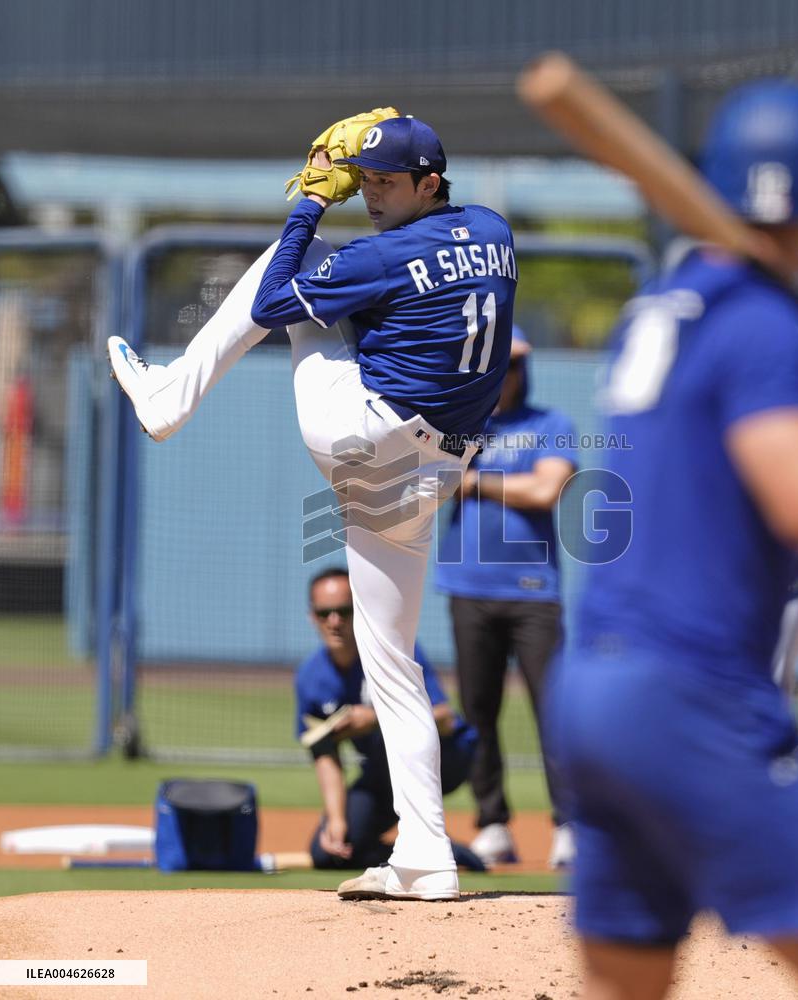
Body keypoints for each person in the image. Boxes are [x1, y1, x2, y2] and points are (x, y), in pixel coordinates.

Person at [548, 80, 798, 1000]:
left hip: (594, 690)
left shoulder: (664, 308)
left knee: (627, 983)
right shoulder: (760, 323)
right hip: (698, 694)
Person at [108, 112, 517, 901]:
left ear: (430, 182)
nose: (370, 192)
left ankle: (168, 398)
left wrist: (310, 201)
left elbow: (272, 303)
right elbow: (428, 273)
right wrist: (379, 152)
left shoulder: (385, 254)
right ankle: (426, 856)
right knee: (390, 661)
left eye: (386, 181)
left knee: (287, 263)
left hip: (364, 438)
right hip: (438, 466)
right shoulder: (495, 230)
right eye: (365, 179)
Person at [436, 327, 576, 868]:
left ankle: (569, 825)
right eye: (499, 364)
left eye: (515, 365)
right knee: (478, 711)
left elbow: (547, 488)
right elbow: (433, 482)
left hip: (534, 590)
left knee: (554, 709)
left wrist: (477, 481)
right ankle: (492, 822)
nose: (507, 374)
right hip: (468, 586)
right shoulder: (460, 424)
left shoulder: (550, 425)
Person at [296, 567, 478, 870]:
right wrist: (337, 819)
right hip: (383, 773)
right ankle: (442, 853)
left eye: (345, 611)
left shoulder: (393, 650)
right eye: (324, 613)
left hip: (444, 757)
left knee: (402, 753)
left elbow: (445, 719)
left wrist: (375, 718)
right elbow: (323, 751)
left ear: (360, 611)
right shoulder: (310, 677)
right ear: (312, 616)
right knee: (328, 853)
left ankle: (436, 844)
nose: (335, 621)